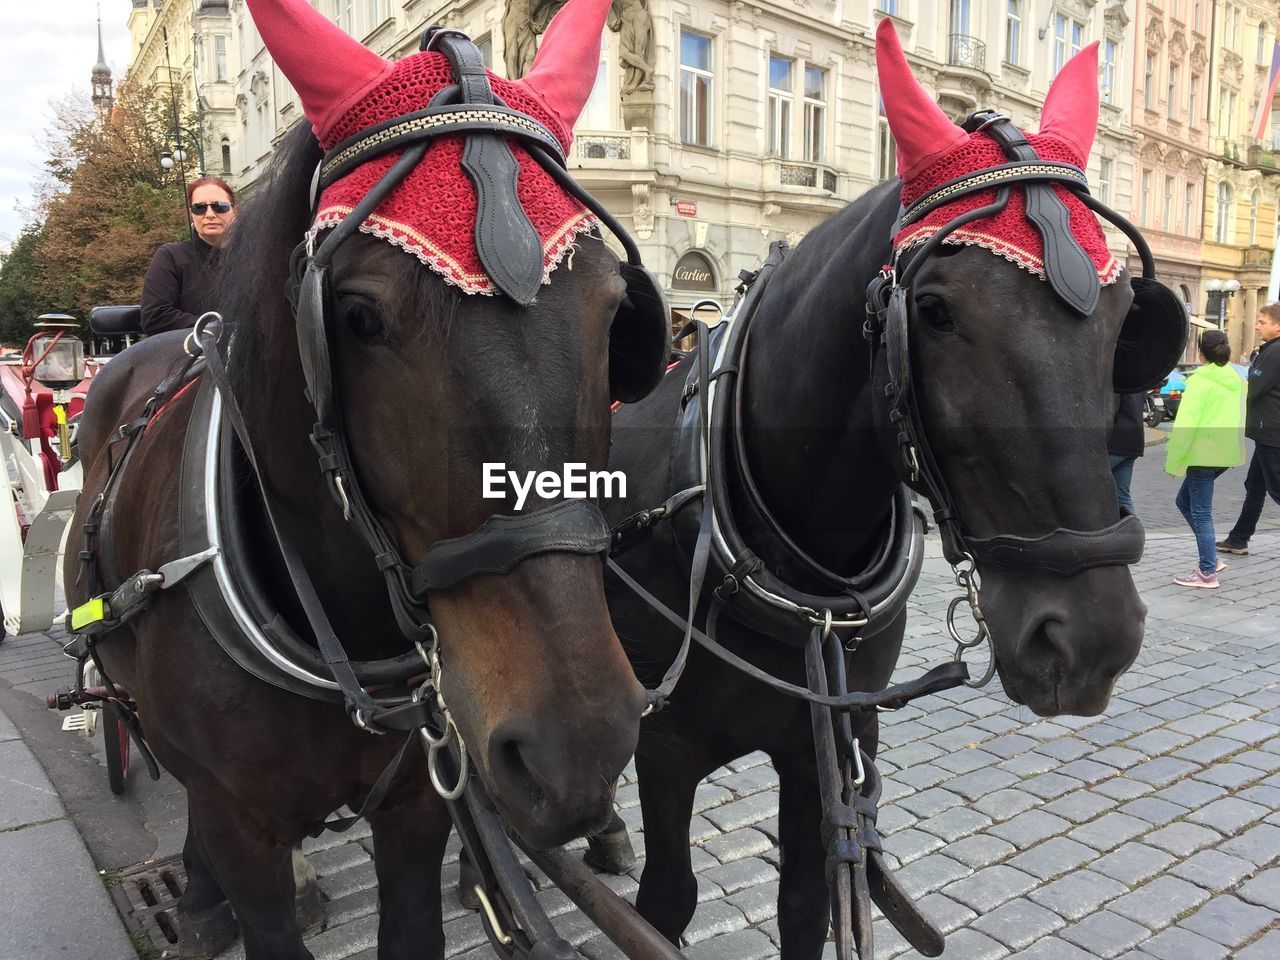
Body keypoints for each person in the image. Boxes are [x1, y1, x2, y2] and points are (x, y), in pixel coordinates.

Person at [1165, 330, 1246, 588]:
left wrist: (1174, 461)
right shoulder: (1235, 379)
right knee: (1184, 502)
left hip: (1202, 453)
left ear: (1201, 353)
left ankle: (1207, 571)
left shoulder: (1200, 382)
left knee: (1200, 513)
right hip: (1224, 453)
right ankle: (1211, 556)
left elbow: (1187, 425)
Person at [1218, 301, 1280, 556]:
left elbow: (1253, 388)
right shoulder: (1269, 349)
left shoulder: (1275, 352)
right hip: (1268, 430)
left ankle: (1239, 538)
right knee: (1255, 486)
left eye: (1262, 322)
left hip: (1272, 433)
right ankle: (1238, 539)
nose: (1256, 326)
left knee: (1276, 488)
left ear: (1278, 326)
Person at [140, 176, 238, 335]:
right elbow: (155, 316)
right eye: (199, 208)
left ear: (235, 210)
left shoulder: (256, 256)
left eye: (219, 206)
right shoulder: (171, 256)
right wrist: (217, 328)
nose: (210, 214)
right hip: (192, 354)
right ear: (191, 214)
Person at [1107, 392, 1145, 513]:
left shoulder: (1118, 382)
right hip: (1134, 441)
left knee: (1089, 482)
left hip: (1116, 441)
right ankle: (1133, 530)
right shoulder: (1136, 382)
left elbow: (1111, 410)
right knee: (1122, 497)